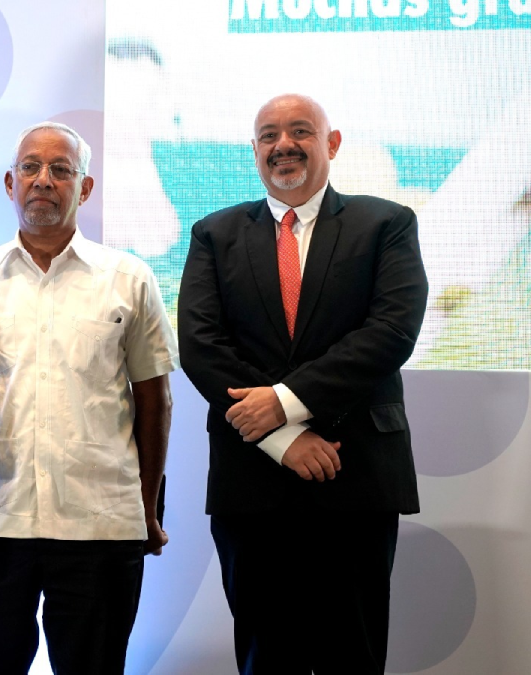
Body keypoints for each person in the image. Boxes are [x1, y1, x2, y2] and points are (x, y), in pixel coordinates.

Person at [177, 94, 428, 674]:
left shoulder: (386, 224)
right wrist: (284, 438)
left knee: (354, 655)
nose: (282, 145)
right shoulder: (214, 234)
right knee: (267, 657)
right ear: (254, 150)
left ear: (332, 143)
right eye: (268, 135)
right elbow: (201, 347)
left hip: (355, 473)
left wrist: (285, 403)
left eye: (299, 132)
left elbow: (391, 332)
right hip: (253, 482)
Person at [0, 121, 177, 675]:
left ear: (84, 188)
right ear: (10, 183)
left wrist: (146, 507)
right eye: (31, 168)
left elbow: (155, 402)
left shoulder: (129, 279)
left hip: (99, 526)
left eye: (61, 170)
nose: (44, 180)